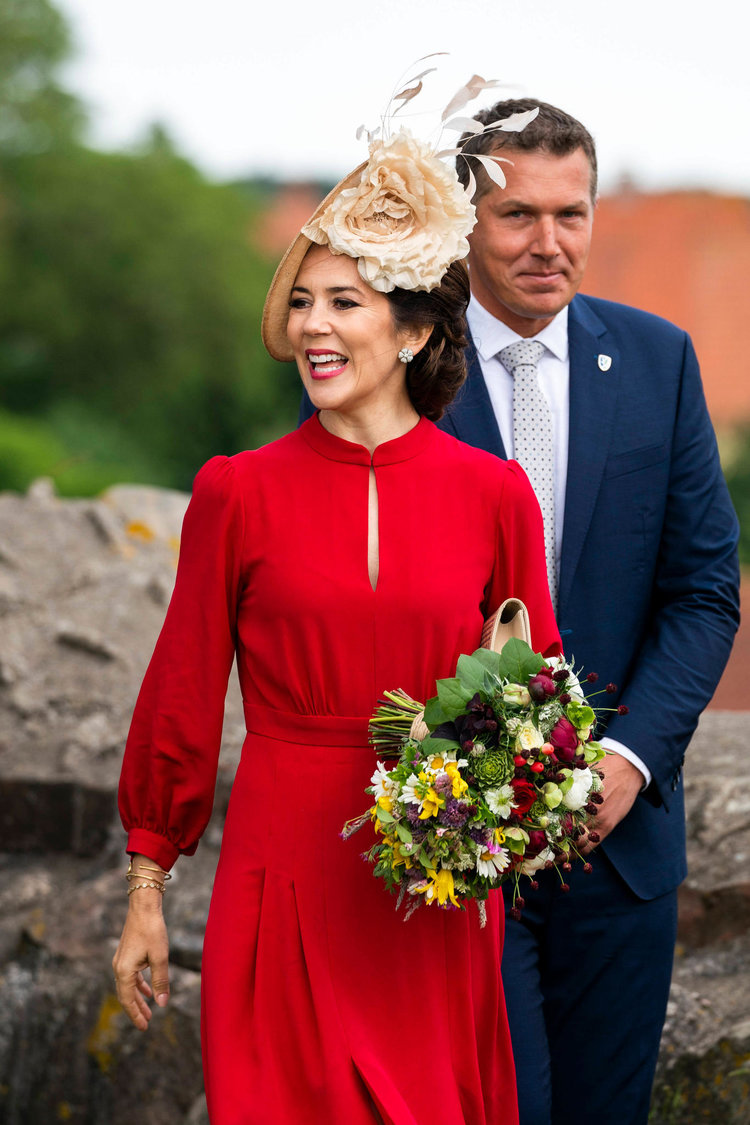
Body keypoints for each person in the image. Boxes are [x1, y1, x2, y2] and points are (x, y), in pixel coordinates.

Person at [112, 120, 562, 1123]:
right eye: (303, 303)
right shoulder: (236, 492)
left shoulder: (497, 498)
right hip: (277, 872)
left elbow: (536, 709)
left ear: (409, 331)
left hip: (428, 902)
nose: (314, 326)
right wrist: (147, 885)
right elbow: (183, 688)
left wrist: (494, 807)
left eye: (343, 303)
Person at [445, 100, 740, 1124]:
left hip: (620, 854)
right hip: (452, 850)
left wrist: (628, 761)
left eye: (572, 214)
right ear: (463, 217)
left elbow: (705, 591)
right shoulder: (395, 364)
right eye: (518, 214)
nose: (549, 244)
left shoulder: (659, 362)